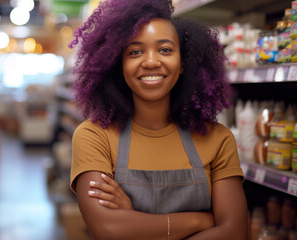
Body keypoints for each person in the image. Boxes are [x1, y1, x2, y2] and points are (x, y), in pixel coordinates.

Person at [68, 0, 248, 239]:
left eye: (165, 50)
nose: (151, 61)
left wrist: (135, 221)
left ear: (183, 63)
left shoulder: (218, 139)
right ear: (119, 64)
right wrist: (201, 219)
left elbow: (235, 232)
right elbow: (108, 228)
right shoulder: (94, 136)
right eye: (135, 52)